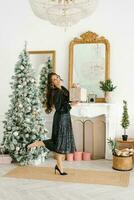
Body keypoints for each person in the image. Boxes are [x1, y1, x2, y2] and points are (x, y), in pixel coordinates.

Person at [28, 72, 77, 175]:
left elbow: (69, 99)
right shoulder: (56, 92)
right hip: (61, 119)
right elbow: (60, 108)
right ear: (52, 83)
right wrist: (71, 105)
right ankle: (60, 168)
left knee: (58, 142)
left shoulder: (62, 89)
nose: (57, 80)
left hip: (66, 117)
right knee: (59, 143)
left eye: (58, 77)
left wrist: (73, 89)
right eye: (54, 79)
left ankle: (35, 144)